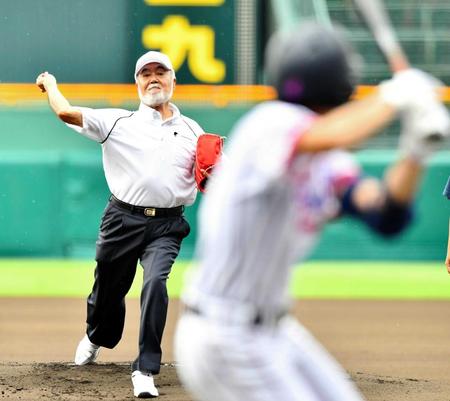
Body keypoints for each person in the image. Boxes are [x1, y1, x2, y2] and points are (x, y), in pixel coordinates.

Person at [174, 22, 450, 401]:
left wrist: (416, 151)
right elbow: (329, 133)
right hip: (224, 335)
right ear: (343, 82)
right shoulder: (268, 125)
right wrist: (395, 95)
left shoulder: (327, 161)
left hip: (272, 331)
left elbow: (386, 216)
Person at [36, 50, 206, 398]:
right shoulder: (118, 122)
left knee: (156, 283)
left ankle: (145, 369)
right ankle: (97, 336)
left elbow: (217, 173)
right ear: (137, 82)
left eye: (161, 72)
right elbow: (66, 112)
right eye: (146, 73)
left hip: (167, 225)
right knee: (108, 291)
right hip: (122, 220)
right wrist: (51, 85)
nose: (154, 78)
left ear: (174, 80)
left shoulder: (193, 132)